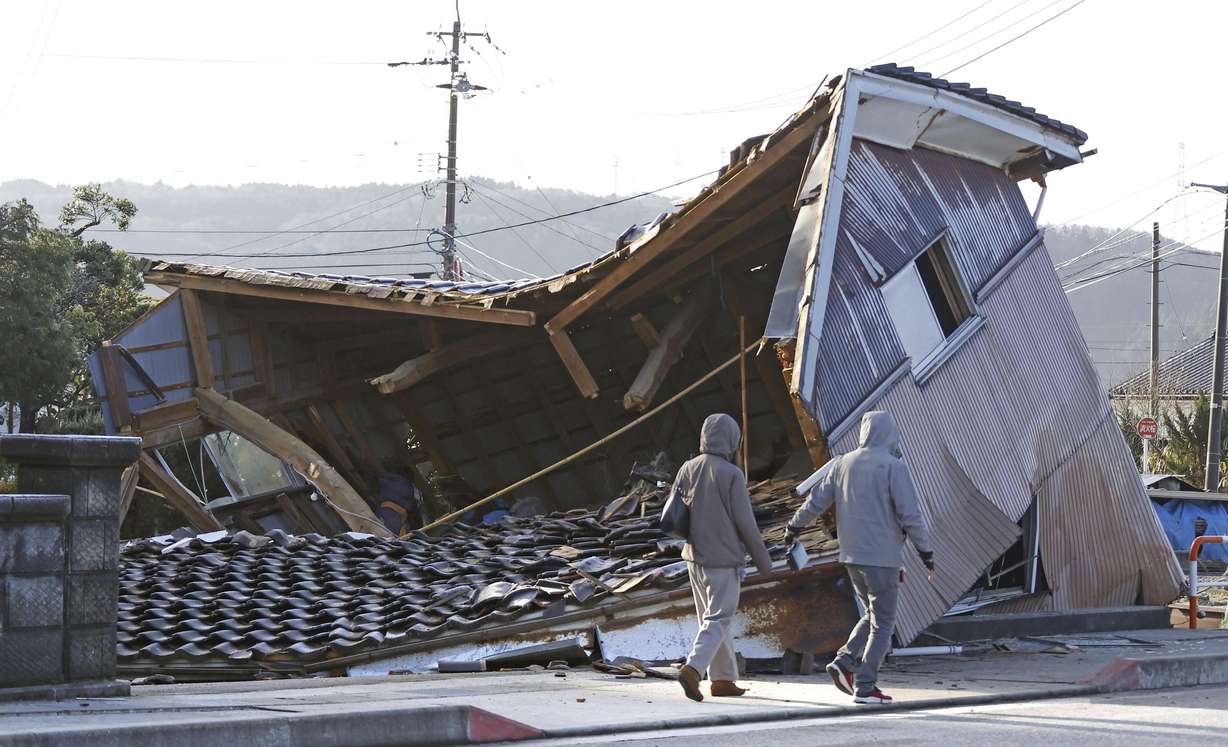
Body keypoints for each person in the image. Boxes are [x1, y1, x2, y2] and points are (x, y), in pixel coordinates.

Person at [784, 411, 933, 705]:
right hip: (882, 558)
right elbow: (910, 515)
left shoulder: (842, 464)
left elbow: (816, 501)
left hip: (851, 557)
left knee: (872, 614)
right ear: (889, 434)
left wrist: (794, 526)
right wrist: (926, 552)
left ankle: (844, 660)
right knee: (884, 624)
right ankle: (865, 686)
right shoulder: (893, 466)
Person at [673, 413, 773, 702]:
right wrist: (764, 563)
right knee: (719, 618)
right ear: (732, 439)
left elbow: (675, 510)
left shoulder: (687, 467)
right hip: (722, 559)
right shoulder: (731, 474)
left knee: (712, 618)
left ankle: (723, 680)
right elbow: (746, 524)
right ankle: (692, 669)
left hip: (693, 557)